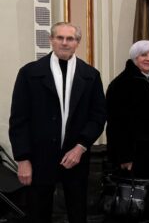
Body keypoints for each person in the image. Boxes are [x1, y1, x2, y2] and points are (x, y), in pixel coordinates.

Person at [9, 22, 107, 223]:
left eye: (70, 39)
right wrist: (23, 159)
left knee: (77, 212)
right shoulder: (29, 73)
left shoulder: (90, 75)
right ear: (51, 40)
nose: (64, 43)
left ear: (77, 43)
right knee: (38, 213)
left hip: (76, 157)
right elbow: (19, 120)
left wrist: (80, 147)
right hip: (39, 157)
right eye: (60, 38)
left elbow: (98, 116)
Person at [105, 40, 149, 217]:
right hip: (134, 154)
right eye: (143, 55)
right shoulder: (121, 83)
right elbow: (117, 124)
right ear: (134, 57)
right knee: (134, 204)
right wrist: (125, 156)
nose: (148, 59)